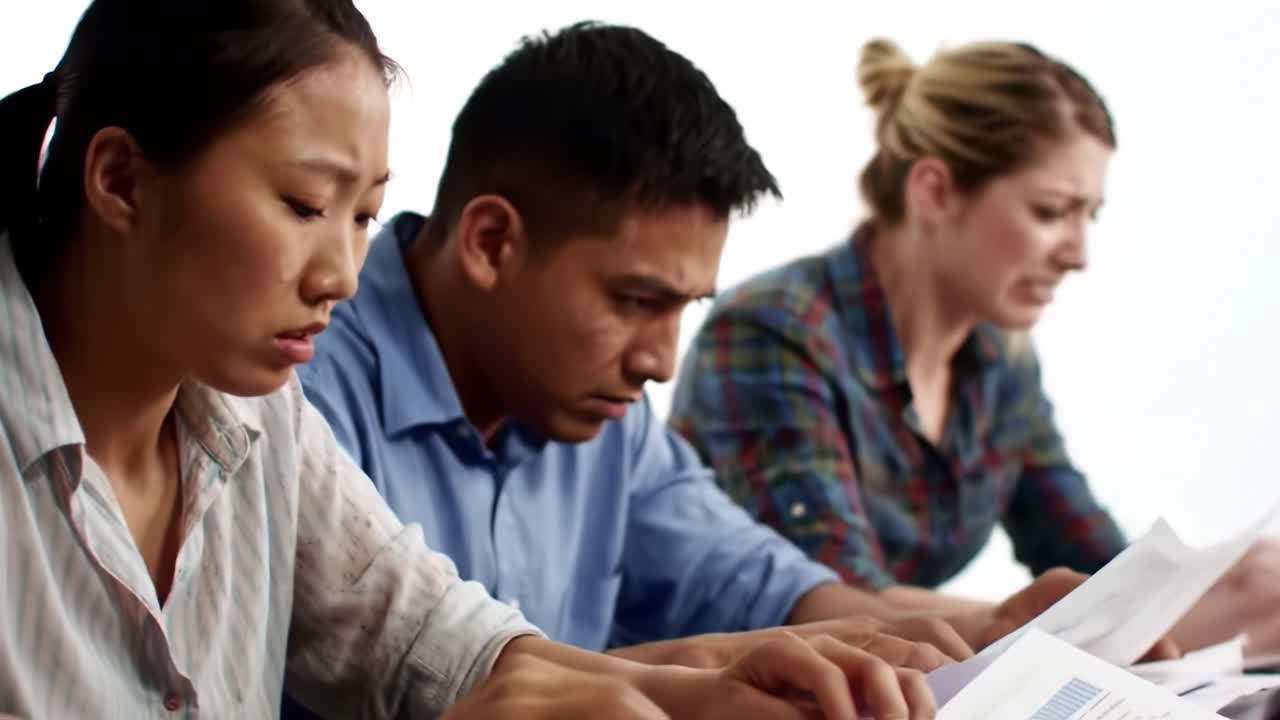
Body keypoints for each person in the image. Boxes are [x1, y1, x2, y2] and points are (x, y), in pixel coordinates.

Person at [0, 4, 944, 718]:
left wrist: (715, 688)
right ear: (120, 180)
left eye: (363, 216)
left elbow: (443, 642)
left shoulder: (256, 413)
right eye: (302, 205)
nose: (339, 274)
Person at [294, 21, 1080, 695]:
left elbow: (753, 582)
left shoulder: (605, 415)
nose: (662, 363)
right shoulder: (298, 382)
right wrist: (706, 673)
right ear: (492, 242)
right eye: (636, 301)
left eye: (683, 308)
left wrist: (989, 630)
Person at [668, 37, 1279, 653]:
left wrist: (1211, 588)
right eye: (1050, 212)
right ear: (934, 190)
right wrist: (1052, 629)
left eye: (1087, 216)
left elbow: (1094, 564)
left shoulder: (998, 361)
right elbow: (826, 598)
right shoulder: (773, 333)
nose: (1077, 255)